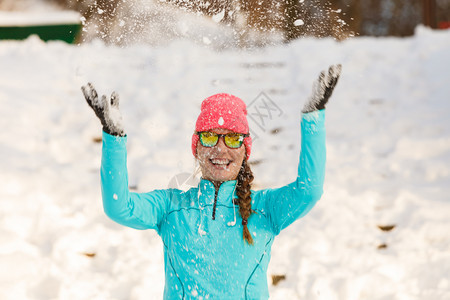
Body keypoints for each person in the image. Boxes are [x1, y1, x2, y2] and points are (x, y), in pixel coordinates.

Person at [81, 64, 342, 300]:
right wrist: (113, 137)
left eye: (231, 139)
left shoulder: (265, 209)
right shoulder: (171, 208)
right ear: (196, 149)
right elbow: (119, 207)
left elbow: (309, 190)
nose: (219, 149)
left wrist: (313, 118)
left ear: (244, 150)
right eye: (209, 138)